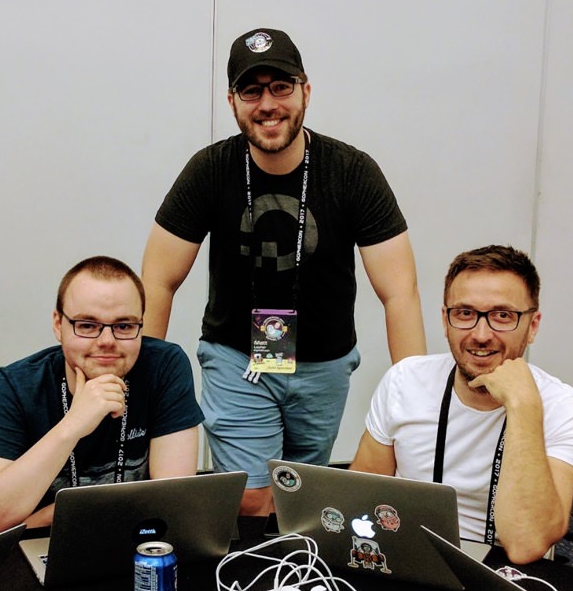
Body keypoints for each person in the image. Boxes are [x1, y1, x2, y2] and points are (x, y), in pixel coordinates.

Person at [142, 28, 426, 515]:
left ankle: (291, 566)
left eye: (281, 87)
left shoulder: (352, 172)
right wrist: (144, 384)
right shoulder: (210, 170)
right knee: (253, 498)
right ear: (232, 102)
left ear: (305, 92)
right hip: (238, 360)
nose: (268, 104)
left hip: (325, 365)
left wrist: (414, 403)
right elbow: (158, 281)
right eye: (252, 91)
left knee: (301, 501)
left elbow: (400, 291)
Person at [350, 245, 573, 563]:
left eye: (502, 316)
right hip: (413, 557)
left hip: (506, 570)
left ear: (532, 326)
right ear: (445, 320)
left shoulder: (564, 408)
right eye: (465, 313)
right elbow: (360, 498)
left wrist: (523, 407)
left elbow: (527, 544)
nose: (480, 334)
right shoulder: (404, 380)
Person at [0, 257, 203, 537]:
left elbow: (172, 504)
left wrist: (57, 514)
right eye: (87, 325)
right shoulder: (14, 386)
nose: (107, 341)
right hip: (39, 545)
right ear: (58, 324)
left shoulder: (164, 367)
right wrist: (72, 426)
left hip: (136, 542)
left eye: (124, 326)